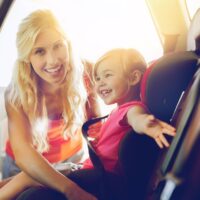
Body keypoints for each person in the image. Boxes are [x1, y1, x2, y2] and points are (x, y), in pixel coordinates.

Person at [0, 48, 176, 200]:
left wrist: (147, 124)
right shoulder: (117, 110)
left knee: (27, 177)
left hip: (98, 175)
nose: (100, 83)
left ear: (133, 78)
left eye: (108, 75)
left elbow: (136, 117)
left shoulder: (131, 109)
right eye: (98, 78)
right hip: (88, 168)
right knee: (10, 182)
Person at [0, 9, 99, 200]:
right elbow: (23, 151)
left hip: (72, 158)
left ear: (68, 44)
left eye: (58, 46)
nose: (53, 60)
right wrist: (72, 190)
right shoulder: (16, 91)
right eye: (39, 51)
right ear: (27, 57)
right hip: (25, 167)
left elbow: (96, 126)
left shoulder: (86, 70)